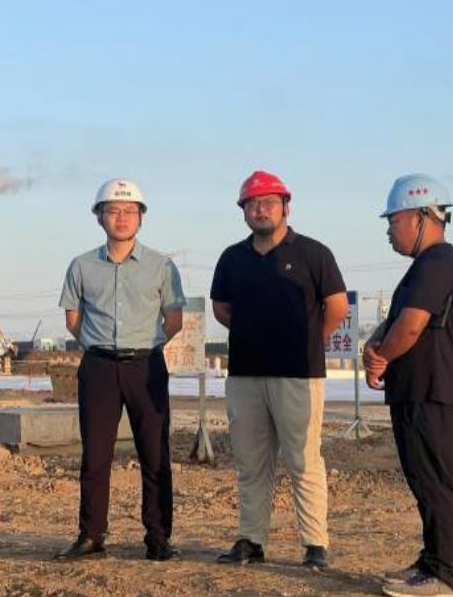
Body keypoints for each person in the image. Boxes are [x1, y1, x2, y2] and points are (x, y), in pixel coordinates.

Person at [210, 170, 349, 569]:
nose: (260, 209)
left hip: (299, 375)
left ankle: (315, 544)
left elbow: (336, 307)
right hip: (246, 376)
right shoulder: (232, 258)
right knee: (251, 463)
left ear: (286, 206)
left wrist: (306, 341)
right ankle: (251, 539)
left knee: (304, 460)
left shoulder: (314, 254)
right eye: (252, 204)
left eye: (269, 202)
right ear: (243, 211)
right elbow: (222, 309)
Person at [56, 178, 186, 562]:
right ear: (99, 217)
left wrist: (145, 343)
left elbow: (174, 320)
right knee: (95, 456)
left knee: (155, 454)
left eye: (130, 211)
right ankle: (91, 535)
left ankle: (158, 538)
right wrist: (99, 344)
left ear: (141, 217)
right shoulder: (81, 266)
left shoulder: (161, 266)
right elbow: (73, 321)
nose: (122, 217)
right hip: (99, 367)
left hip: (146, 367)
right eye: (113, 210)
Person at [363, 174, 453, 597]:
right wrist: (375, 346)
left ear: (420, 216)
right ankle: (431, 561)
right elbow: (394, 323)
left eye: (393, 220)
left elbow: (410, 326)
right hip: (415, 391)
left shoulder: (440, 261)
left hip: (433, 392)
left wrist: (382, 357)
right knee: (423, 481)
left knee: (436, 483)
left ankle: (444, 575)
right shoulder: (422, 269)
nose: (389, 230)